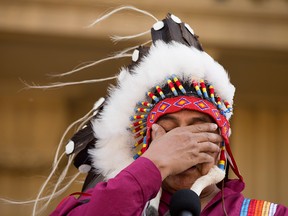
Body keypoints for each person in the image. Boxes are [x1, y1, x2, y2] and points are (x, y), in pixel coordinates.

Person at [47, 11, 287, 216]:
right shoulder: (94, 206)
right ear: (146, 144)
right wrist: (154, 164)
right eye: (169, 130)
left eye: (197, 127)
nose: (182, 142)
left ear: (221, 144)